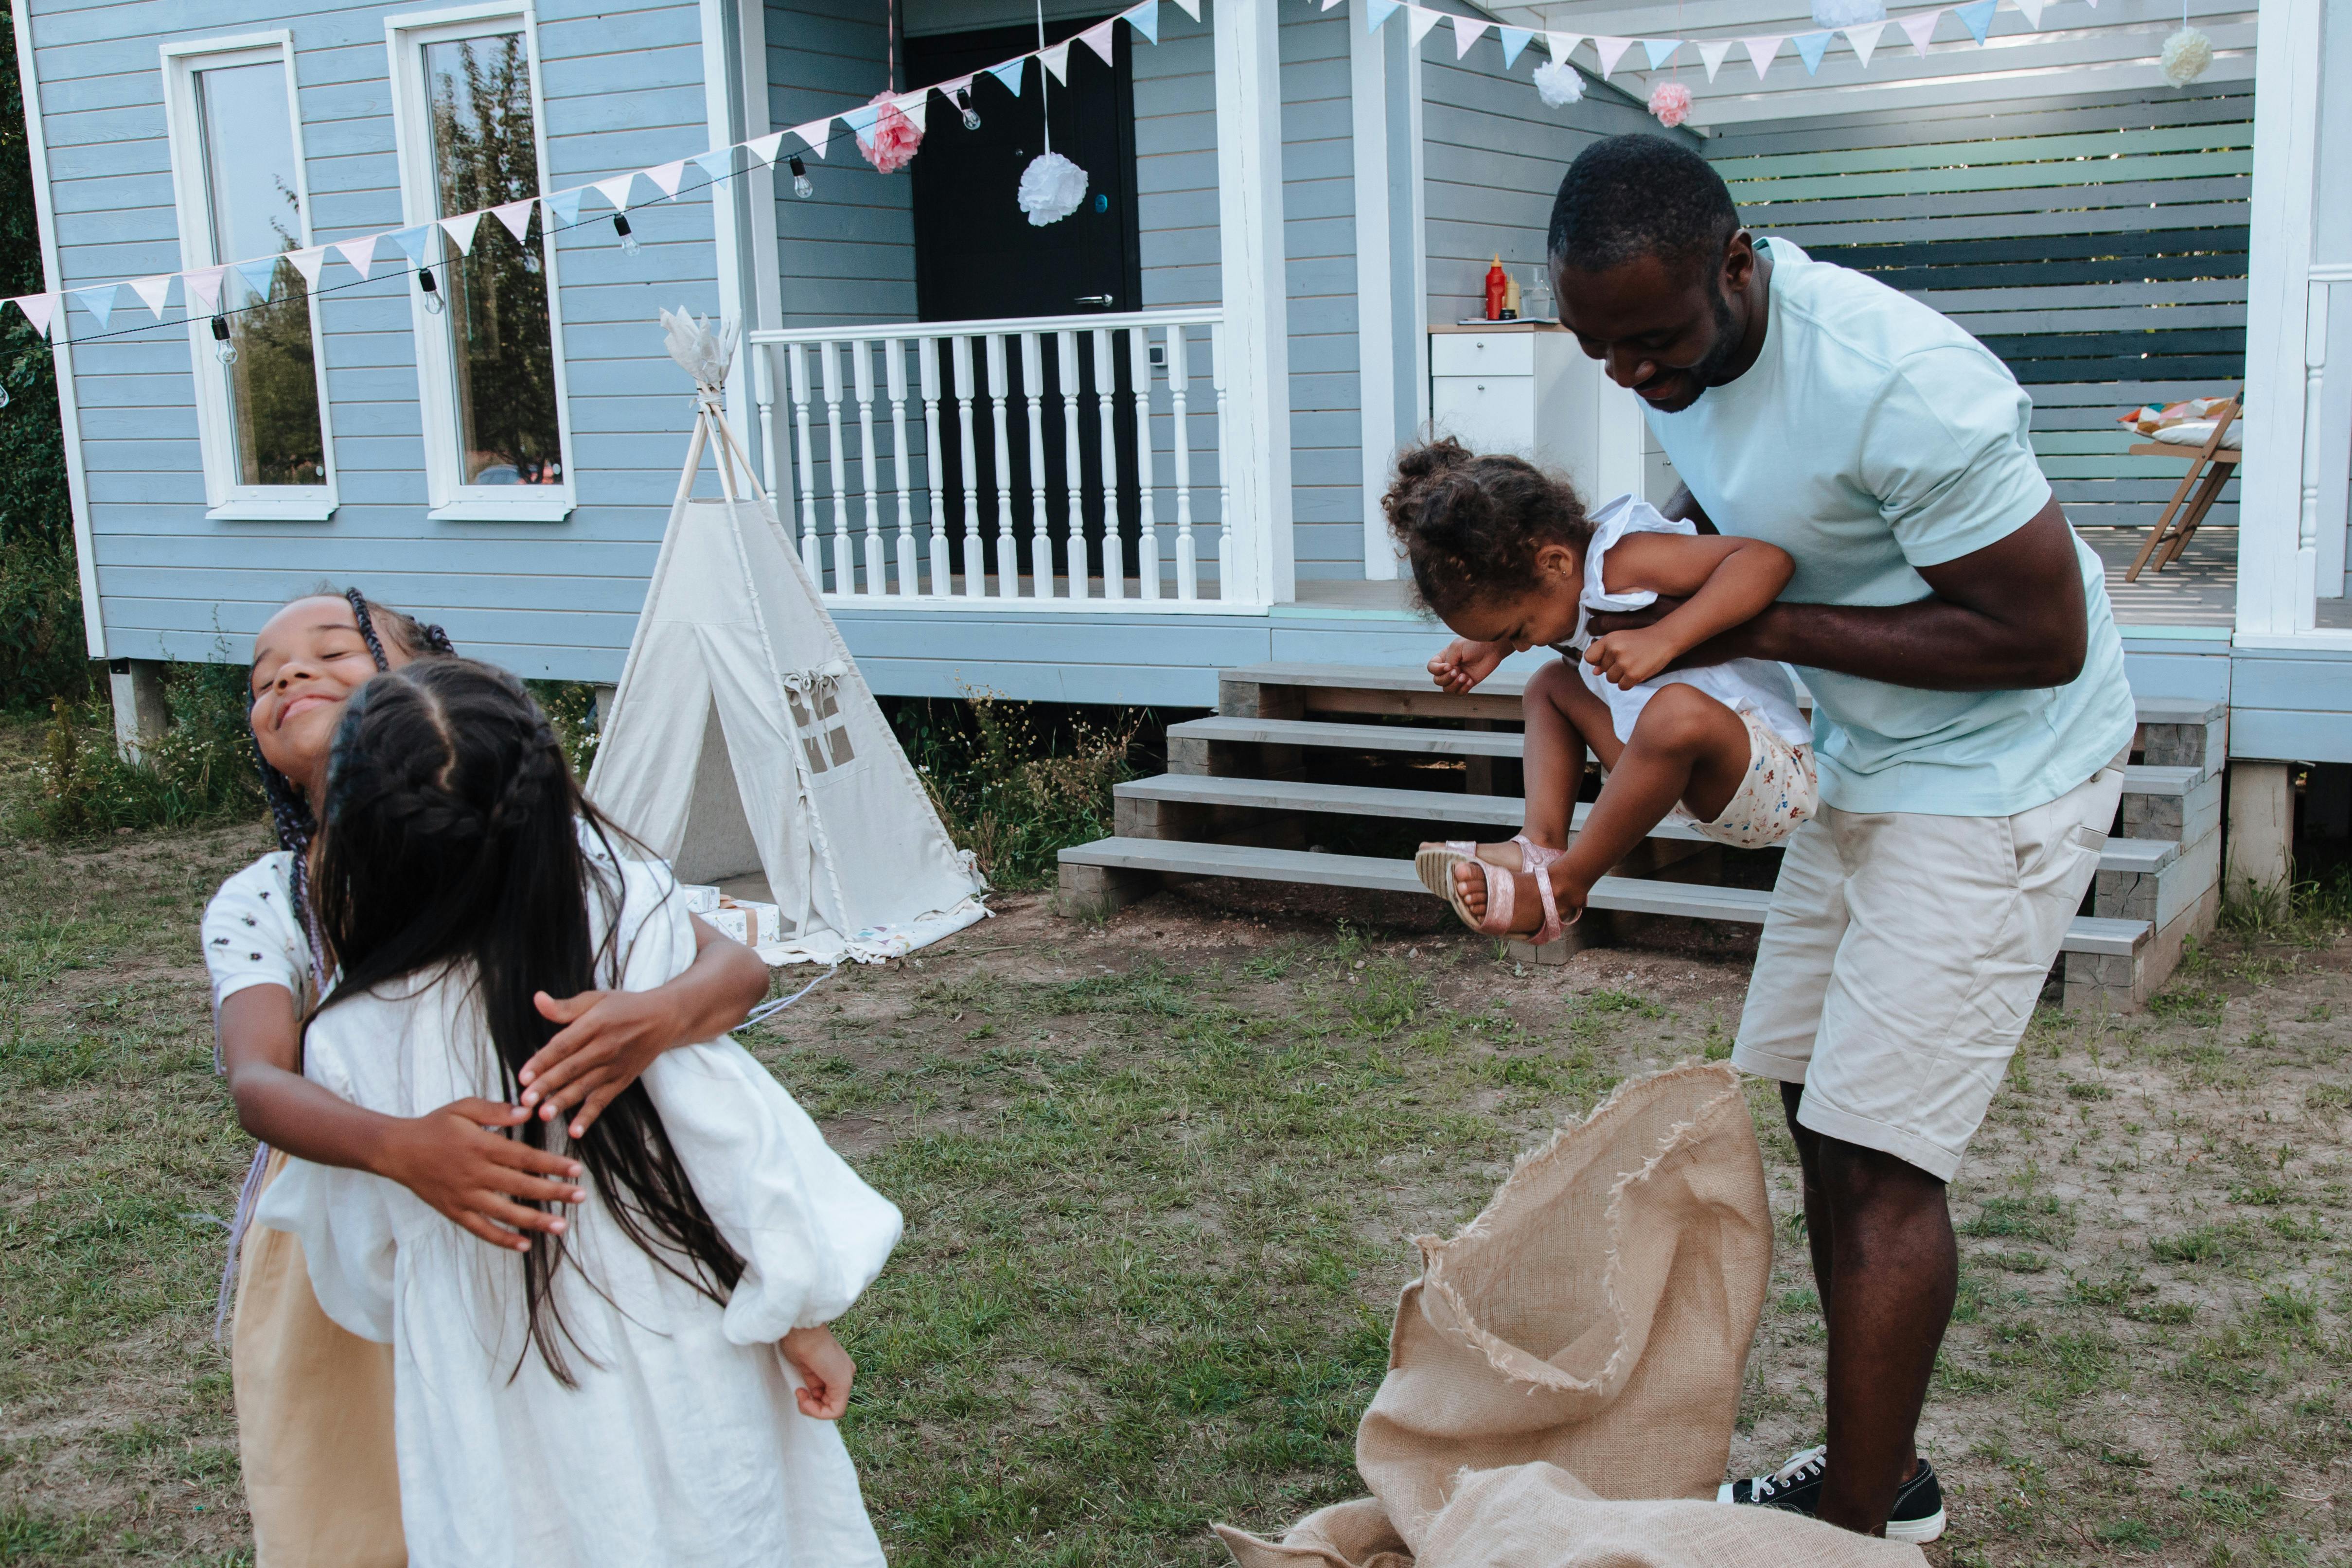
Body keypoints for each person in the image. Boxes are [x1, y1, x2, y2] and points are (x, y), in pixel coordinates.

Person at [1546, 135, 2138, 1542]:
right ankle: (1879, 1472)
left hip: (2002, 772)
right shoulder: (1672, 341)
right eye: (1599, 351)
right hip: (1861, 753)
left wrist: (1748, 627)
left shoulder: (1901, 384)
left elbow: (2036, 637)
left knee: (1882, 1159)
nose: (1630, 376)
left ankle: (1853, 1534)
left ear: (1735, 264)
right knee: (1821, 1115)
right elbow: (1739, 506)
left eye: (1651, 341)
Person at [253, 657, 900, 1567]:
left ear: (356, 838)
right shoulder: (628, 930)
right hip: (687, 1355)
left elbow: (363, 1271)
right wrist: (796, 1315)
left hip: (490, 1402)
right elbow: (730, 1149)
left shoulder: (348, 1040)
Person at [1386, 439, 1815, 944]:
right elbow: (1558, 628)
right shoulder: (1561, 583)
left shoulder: (1627, 559)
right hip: (1667, 782)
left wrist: (1665, 638)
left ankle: (1564, 888)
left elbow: (1764, 561)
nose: (1527, 641)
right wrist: (1496, 646)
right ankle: (1541, 846)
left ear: (1554, 563)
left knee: (1673, 711)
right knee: (1549, 685)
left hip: (1767, 775)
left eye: (1519, 628)